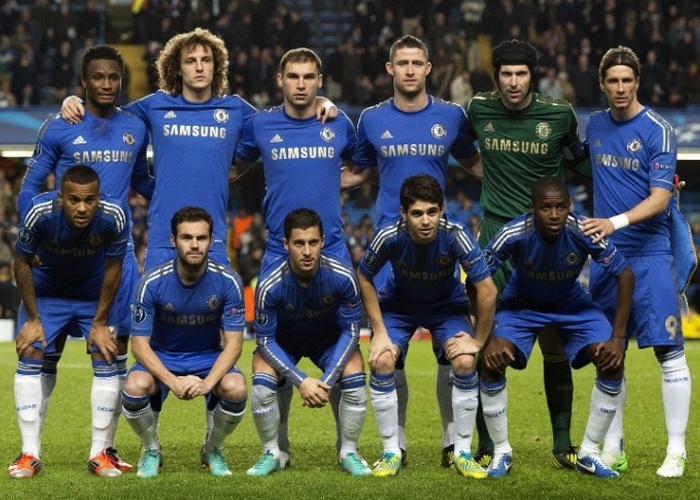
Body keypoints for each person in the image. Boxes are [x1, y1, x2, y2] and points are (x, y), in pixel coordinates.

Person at [61, 27, 336, 447]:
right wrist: (74, 101)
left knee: (216, 339)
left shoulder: (236, 109)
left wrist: (322, 104)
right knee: (154, 338)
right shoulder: (154, 106)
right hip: (162, 242)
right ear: (177, 67)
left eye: (206, 60)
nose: (199, 67)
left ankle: (213, 443)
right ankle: (151, 444)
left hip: (214, 244)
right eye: (190, 60)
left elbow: (281, 118)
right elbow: (107, 113)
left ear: (217, 66)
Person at [343, 34, 482, 468]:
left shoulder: (451, 116)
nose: (408, 70)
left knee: (450, 353)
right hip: (391, 249)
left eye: (416, 63)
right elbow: (361, 171)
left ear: (427, 68)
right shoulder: (371, 119)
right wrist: (301, 175)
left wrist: (521, 179)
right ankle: (396, 443)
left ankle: (451, 442)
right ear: (390, 68)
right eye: (401, 63)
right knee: (390, 355)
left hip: (438, 244)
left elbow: (475, 163)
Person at [18, 44, 153, 475]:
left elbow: (142, 181)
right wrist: (36, 239)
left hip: (115, 258)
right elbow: (30, 187)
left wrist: (178, 199)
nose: (107, 84)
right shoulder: (61, 125)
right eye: (98, 77)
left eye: (114, 77)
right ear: (84, 82)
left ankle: (105, 449)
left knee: (112, 352)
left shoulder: (135, 126)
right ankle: (30, 451)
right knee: (41, 352)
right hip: (60, 256)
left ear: (122, 80)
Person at [465, 39, 591, 469]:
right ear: (496, 76)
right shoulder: (478, 109)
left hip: (545, 239)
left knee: (552, 335)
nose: (514, 82)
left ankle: (563, 444)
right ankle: (486, 443)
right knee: (485, 339)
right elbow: (459, 147)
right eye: (506, 74)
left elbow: (581, 161)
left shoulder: (559, 114)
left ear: (532, 76)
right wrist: (486, 176)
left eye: (521, 74)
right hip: (496, 234)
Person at [232, 47, 357, 462]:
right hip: (277, 250)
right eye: (293, 76)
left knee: (343, 343)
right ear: (280, 80)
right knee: (274, 345)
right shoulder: (260, 124)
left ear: (320, 80)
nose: (301, 85)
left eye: (308, 77)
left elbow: (364, 167)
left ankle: (346, 449)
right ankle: (277, 449)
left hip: (331, 247)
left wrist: (330, 179)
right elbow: (233, 167)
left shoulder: (338, 123)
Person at [581, 45, 692, 478]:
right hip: (608, 260)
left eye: (627, 80)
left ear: (638, 82)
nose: (620, 88)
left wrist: (613, 222)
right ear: (602, 84)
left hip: (650, 256)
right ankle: (614, 448)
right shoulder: (594, 125)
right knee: (611, 355)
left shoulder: (658, 130)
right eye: (613, 81)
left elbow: (661, 198)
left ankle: (676, 450)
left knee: (669, 352)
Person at [480, 176, 634, 478]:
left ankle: (589, 453)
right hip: (521, 303)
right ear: (532, 208)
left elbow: (625, 274)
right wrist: (487, 340)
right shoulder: (512, 232)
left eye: (561, 207)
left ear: (569, 206)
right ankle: (501, 452)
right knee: (492, 362)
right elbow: (475, 279)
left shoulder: (583, 229)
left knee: (612, 362)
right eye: (546, 208)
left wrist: (618, 337)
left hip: (570, 302)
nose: (554, 214)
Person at [357, 174, 497, 477]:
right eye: (417, 213)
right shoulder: (388, 235)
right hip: (399, 305)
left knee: (465, 361)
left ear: (442, 210)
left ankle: (462, 452)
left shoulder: (456, 234)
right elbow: (364, 276)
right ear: (403, 213)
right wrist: (378, 332)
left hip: (445, 306)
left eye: (432, 212)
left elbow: (487, 289)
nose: (425, 221)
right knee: (382, 360)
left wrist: (478, 341)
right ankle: (392, 451)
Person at [9, 165, 128, 479]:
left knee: (106, 353)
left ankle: (99, 454)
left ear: (99, 198)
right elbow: (21, 261)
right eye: (74, 199)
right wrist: (33, 318)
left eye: (90, 200)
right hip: (49, 291)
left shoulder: (115, 214)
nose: (82, 207)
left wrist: (100, 322)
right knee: (31, 350)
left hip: (92, 293)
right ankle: (29, 455)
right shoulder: (39, 212)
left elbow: (115, 267)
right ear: (60, 197)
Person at [121, 206, 247, 478]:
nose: (194, 244)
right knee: (133, 387)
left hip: (208, 356)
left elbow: (235, 345)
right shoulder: (151, 282)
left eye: (201, 238)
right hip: (162, 356)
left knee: (236, 388)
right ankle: (151, 449)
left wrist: (207, 383)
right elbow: (139, 345)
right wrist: (172, 381)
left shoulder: (229, 281)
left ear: (211, 241)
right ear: (173, 240)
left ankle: (212, 448)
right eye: (186, 237)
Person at [246, 208, 370, 476]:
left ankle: (348, 451)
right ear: (285, 244)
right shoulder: (269, 284)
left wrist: (327, 380)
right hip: (284, 341)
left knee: (354, 372)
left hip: (327, 340)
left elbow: (351, 332)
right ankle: (273, 452)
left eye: (313, 242)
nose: (307, 251)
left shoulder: (343, 276)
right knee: (262, 379)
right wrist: (301, 381)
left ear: (322, 242)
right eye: (299, 243)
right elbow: (265, 341)